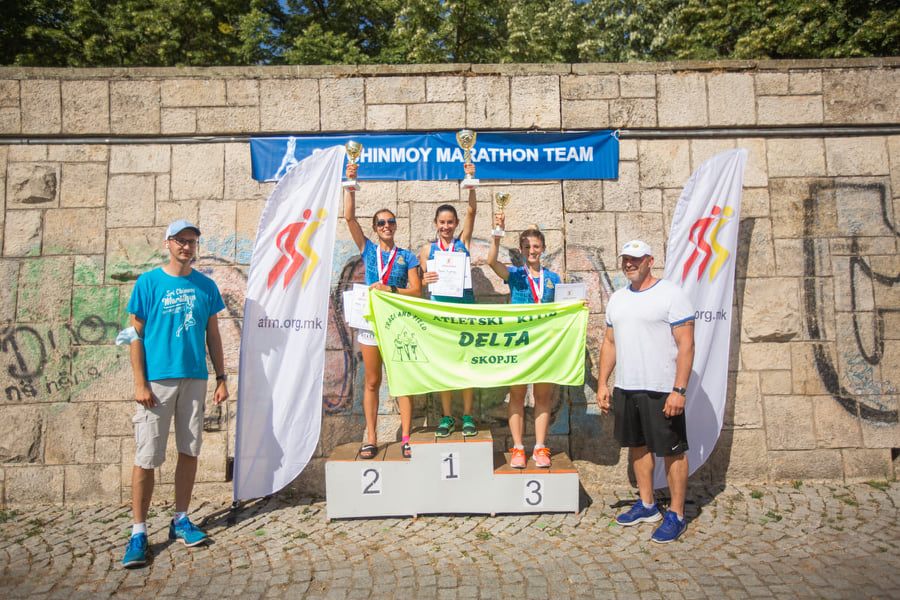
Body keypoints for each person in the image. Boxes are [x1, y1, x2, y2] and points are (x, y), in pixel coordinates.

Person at [122, 220, 229, 568]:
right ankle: (139, 532)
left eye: (192, 241)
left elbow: (213, 335)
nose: (187, 246)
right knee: (147, 456)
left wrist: (221, 378)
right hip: (157, 383)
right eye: (181, 240)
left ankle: (180, 519)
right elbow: (134, 335)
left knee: (189, 450)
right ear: (167, 243)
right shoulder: (148, 282)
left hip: (194, 378)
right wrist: (140, 383)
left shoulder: (205, 286)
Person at [596, 239, 695, 544]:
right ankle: (648, 505)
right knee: (638, 446)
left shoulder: (671, 294)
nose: (629, 263)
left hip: (662, 388)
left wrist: (679, 390)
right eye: (625, 258)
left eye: (636, 259)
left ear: (650, 261)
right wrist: (603, 383)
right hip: (627, 387)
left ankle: (676, 514)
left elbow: (686, 345)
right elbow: (610, 343)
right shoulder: (618, 299)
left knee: (672, 451)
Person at [344, 162, 422, 460]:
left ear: (395, 226)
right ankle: (372, 438)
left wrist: (390, 289)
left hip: (398, 324)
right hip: (370, 323)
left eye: (390, 222)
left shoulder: (407, 256)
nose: (386, 226)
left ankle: (406, 437)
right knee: (372, 382)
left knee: (401, 380)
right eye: (380, 223)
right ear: (375, 228)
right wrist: (351, 183)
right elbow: (349, 217)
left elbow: (416, 291)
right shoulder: (368, 250)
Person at [486, 212, 561, 469]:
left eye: (536, 246)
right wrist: (498, 232)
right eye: (527, 247)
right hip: (518, 343)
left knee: (542, 397)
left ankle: (540, 447)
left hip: (544, 344)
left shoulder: (553, 279)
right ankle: (518, 447)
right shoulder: (516, 275)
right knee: (517, 396)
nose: (532, 251)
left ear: (543, 249)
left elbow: (563, 307)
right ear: (521, 250)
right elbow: (491, 261)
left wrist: (578, 306)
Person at [418, 161, 478, 438]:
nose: (446, 226)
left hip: (464, 311)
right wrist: (425, 279)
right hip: (440, 314)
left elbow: (472, 211)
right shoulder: (427, 249)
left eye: (450, 222)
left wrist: (470, 180)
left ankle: (467, 416)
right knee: (444, 365)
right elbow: (421, 283)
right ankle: (447, 417)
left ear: (455, 224)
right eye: (442, 222)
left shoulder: (462, 242)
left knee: (466, 364)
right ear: (436, 224)